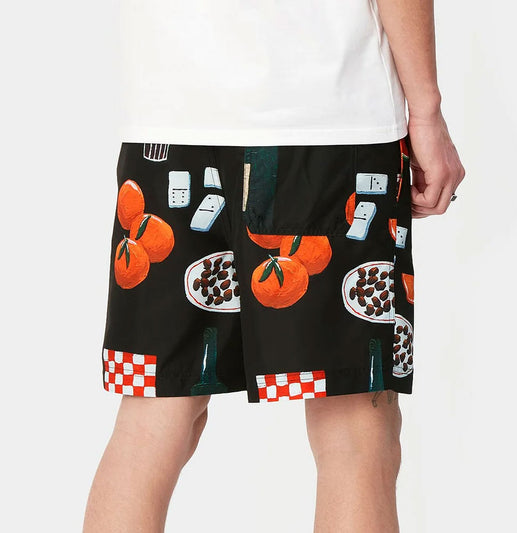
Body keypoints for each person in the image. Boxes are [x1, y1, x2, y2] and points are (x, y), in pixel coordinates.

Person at [83, 0, 465, 531]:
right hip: (326, 122)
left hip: (169, 124)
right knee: (355, 426)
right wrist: (426, 110)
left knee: (153, 417)